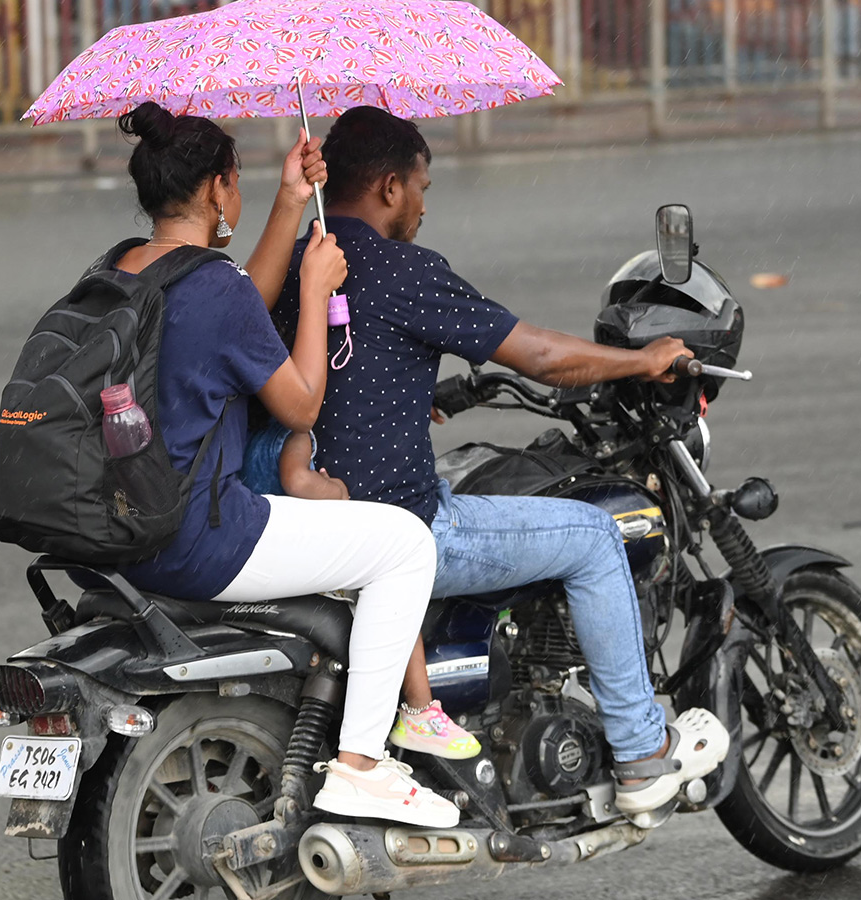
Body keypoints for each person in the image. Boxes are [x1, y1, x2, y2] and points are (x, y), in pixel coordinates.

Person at [268, 106, 729, 818]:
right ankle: (641, 754)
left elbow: (329, 366)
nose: (423, 205)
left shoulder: (298, 266)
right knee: (596, 536)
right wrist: (645, 358)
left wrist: (413, 391)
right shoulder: (403, 270)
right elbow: (541, 356)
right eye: (423, 186)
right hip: (404, 527)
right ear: (391, 187)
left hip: (302, 513)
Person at [110, 101, 458, 828]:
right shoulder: (215, 288)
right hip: (206, 538)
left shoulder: (125, 268)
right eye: (236, 183)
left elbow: (237, 304)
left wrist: (290, 201)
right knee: (403, 544)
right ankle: (362, 764)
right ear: (217, 190)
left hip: (132, 532)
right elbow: (300, 404)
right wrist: (314, 291)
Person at [242, 417, 483, 760]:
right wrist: (334, 491)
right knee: (395, 572)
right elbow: (296, 480)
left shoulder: (247, 434)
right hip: (299, 551)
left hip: (259, 549)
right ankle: (417, 709)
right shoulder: (296, 435)